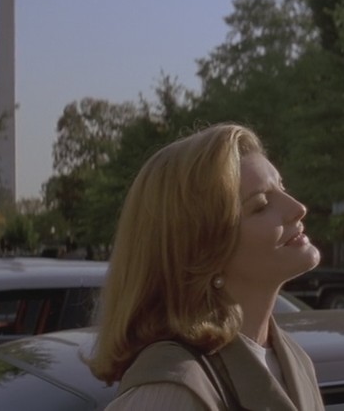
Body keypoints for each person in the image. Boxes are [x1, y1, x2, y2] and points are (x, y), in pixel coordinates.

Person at [86, 123, 324, 410]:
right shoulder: (172, 391)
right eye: (261, 205)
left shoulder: (295, 361)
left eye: (282, 188)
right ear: (203, 252)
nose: (298, 208)